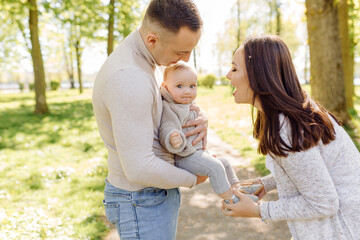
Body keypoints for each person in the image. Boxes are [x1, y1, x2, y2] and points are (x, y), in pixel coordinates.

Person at [222, 35, 360, 240]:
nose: (227, 75)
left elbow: (323, 203)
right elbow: (312, 170)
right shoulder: (292, 115)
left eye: (234, 69)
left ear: (258, 75)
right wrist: (267, 183)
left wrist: (259, 210)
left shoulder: (286, 128)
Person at [92, 1, 209, 239]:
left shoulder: (148, 59)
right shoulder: (130, 77)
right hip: (142, 201)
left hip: (148, 199)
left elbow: (161, 108)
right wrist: (195, 178)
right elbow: (138, 167)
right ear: (152, 40)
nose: (185, 59)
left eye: (190, 50)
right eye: (180, 51)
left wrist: (198, 117)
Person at [159, 62, 259, 203]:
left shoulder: (186, 103)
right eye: (180, 86)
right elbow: (166, 128)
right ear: (165, 87)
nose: (187, 91)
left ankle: (238, 188)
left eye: (192, 86)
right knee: (215, 167)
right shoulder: (170, 108)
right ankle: (231, 199)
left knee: (224, 162)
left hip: (196, 153)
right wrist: (173, 136)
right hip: (185, 156)